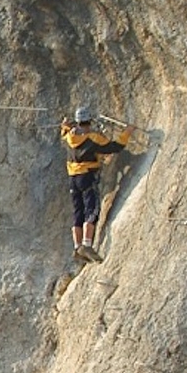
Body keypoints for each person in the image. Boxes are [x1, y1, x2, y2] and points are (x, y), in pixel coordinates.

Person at [60, 105, 135, 262]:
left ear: (77, 121)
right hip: (87, 176)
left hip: (73, 178)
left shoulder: (68, 137)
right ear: (89, 121)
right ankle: (87, 244)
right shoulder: (93, 138)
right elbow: (113, 147)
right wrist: (127, 132)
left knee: (78, 211)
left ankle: (77, 246)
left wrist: (66, 126)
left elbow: (65, 130)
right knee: (92, 209)